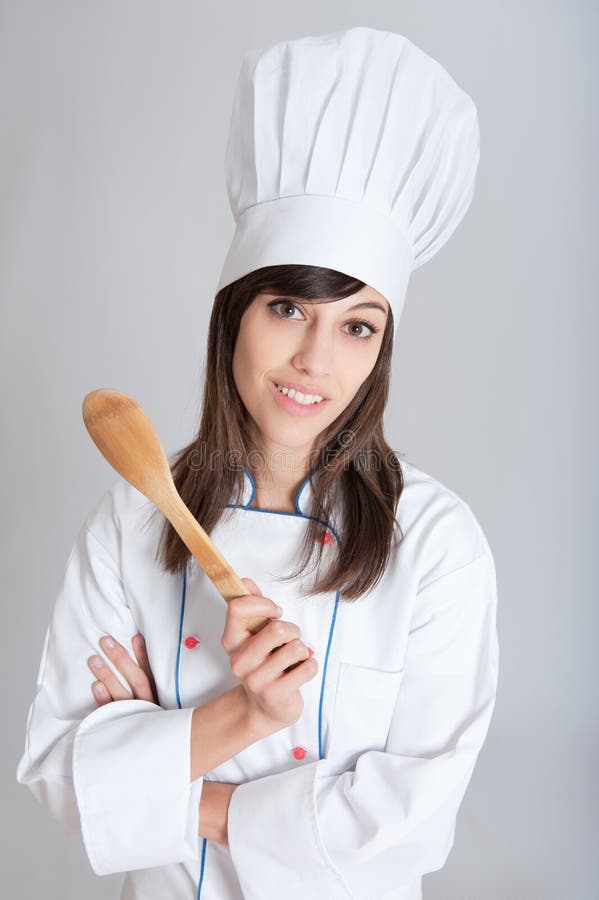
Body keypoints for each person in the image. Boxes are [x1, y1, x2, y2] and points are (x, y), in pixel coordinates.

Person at [16, 25, 499, 900]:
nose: (317, 359)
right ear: (234, 315)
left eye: (357, 325)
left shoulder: (434, 542)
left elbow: (412, 819)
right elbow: (59, 775)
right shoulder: (134, 515)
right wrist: (245, 714)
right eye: (287, 307)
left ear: (381, 347)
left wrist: (167, 762)